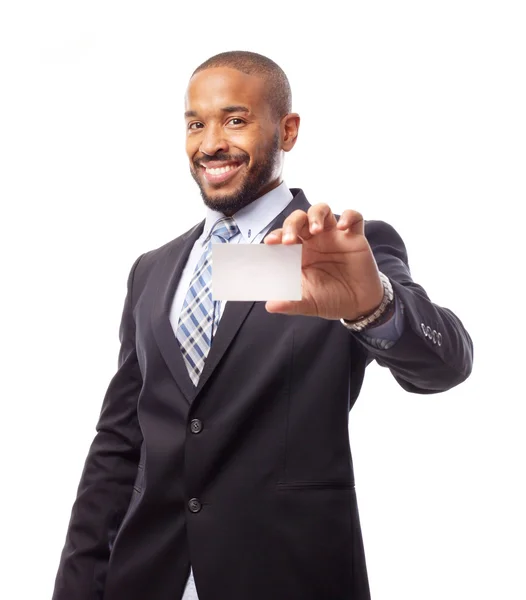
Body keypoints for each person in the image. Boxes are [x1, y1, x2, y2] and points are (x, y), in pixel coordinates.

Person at [52, 50, 473, 600]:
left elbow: (446, 363)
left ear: (287, 130)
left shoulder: (331, 252)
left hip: (286, 576)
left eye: (234, 120)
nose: (210, 144)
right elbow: (119, 444)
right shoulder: (153, 270)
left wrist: (374, 306)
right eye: (195, 124)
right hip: (148, 577)